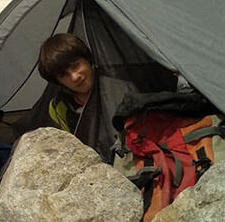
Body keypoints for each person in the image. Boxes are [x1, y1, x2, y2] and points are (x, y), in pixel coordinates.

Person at [21, 32, 138, 162]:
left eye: (76, 66)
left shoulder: (121, 90)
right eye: (64, 75)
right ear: (58, 81)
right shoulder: (59, 107)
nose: (75, 77)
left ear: (88, 60)